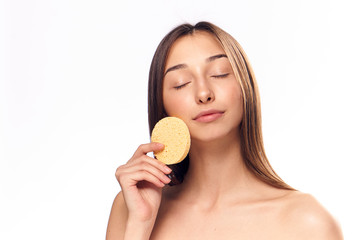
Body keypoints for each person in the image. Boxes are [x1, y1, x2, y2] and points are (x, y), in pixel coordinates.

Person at [106, 21, 343, 239]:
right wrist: (140, 225)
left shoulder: (307, 222)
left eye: (220, 73)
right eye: (181, 83)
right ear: (163, 106)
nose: (203, 93)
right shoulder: (131, 208)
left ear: (244, 85)